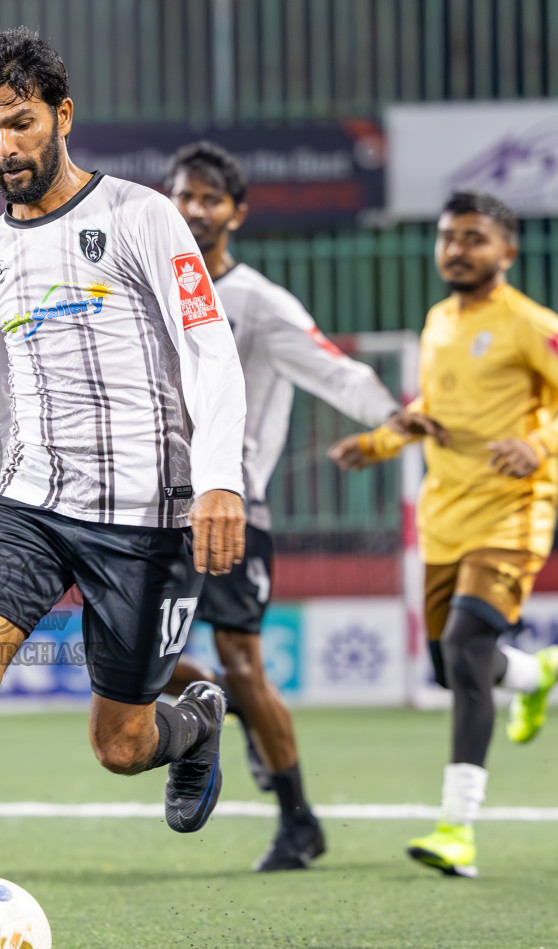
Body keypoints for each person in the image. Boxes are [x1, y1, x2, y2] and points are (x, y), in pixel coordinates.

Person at [0, 28, 247, 949]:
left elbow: (210, 350)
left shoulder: (142, 218)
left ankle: (194, 723)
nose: (5, 145)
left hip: (148, 514)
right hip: (32, 504)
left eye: (20, 122)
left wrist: (220, 478)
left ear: (62, 115)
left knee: (119, 746)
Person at [329, 191, 558, 878]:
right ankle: (533, 672)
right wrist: (377, 442)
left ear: (507, 251)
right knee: (449, 667)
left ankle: (456, 828)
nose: (457, 250)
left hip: (512, 513)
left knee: (464, 649)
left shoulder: (530, 324)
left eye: (474, 238)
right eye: (448, 238)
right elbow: (438, 410)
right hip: (445, 517)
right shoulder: (438, 321)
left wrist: (540, 444)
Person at [159, 142, 403, 872]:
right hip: (153, 510)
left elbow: (335, 369)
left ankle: (300, 821)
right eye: (183, 195)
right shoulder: (148, 287)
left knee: (243, 661)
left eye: (210, 198)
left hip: (233, 508)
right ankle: (217, 708)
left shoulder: (259, 303)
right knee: (131, 658)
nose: (194, 210)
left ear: (237, 212)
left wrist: (392, 419)